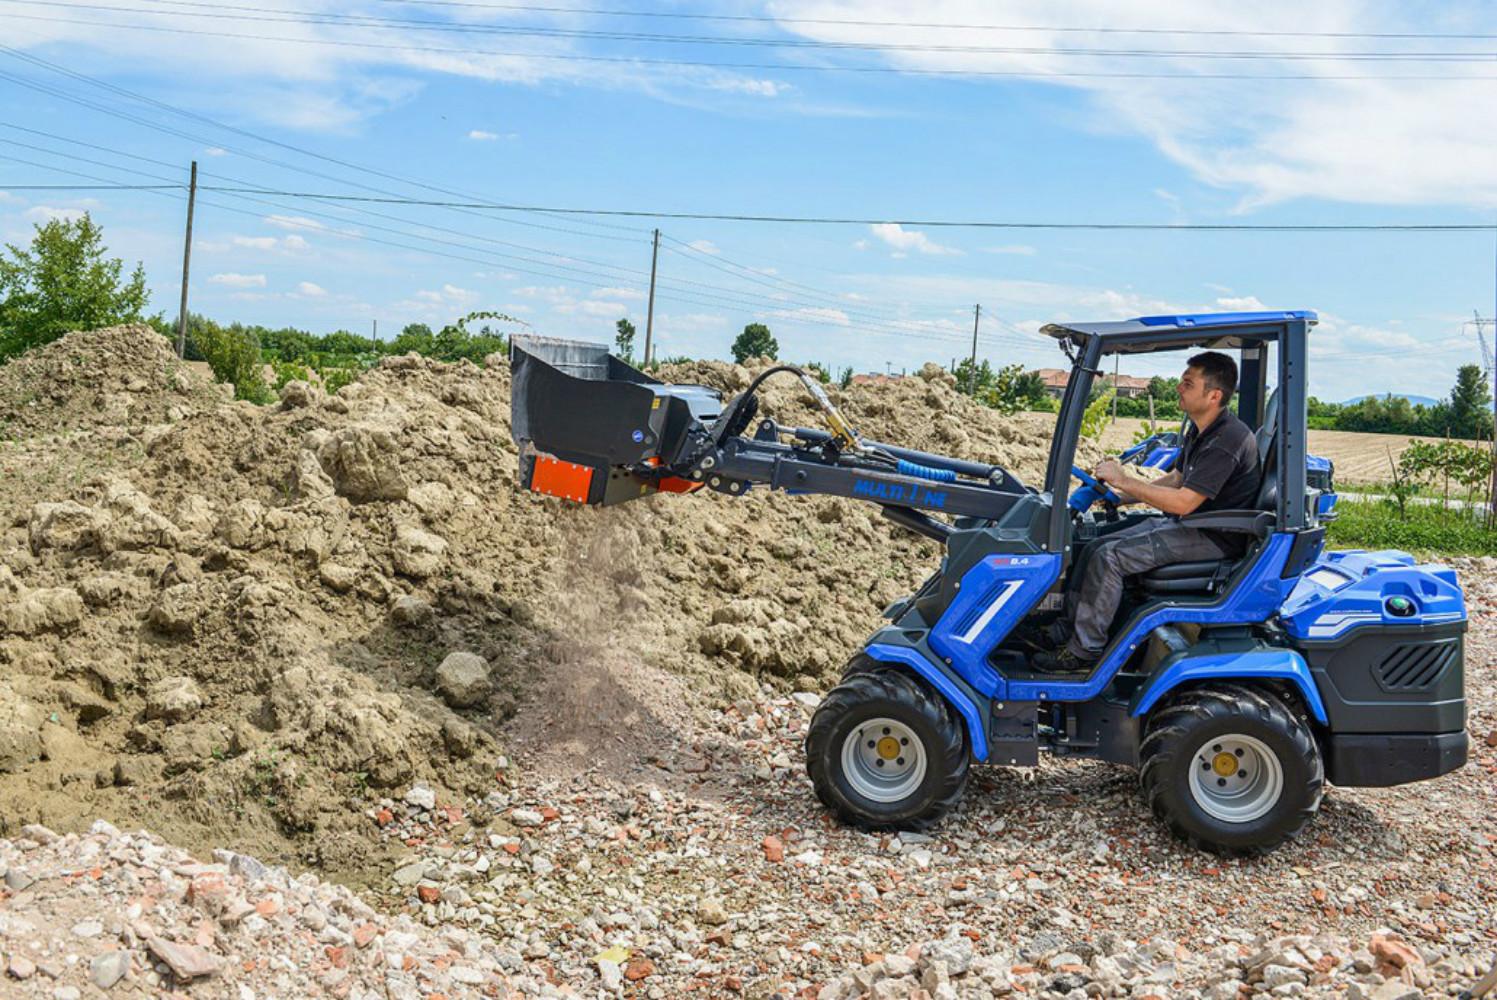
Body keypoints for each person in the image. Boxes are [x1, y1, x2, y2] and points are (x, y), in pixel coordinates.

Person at [1030, 351, 1262, 673]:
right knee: (1095, 546)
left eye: (1188, 383)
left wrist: (1124, 479)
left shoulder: (1227, 440)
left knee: (1111, 557)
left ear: (1214, 395)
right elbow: (1177, 478)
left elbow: (1183, 502)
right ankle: (1066, 630)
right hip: (1190, 525)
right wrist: (1122, 497)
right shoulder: (1202, 430)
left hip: (1213, 536)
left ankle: (1084, 651)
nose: (1179, 388)